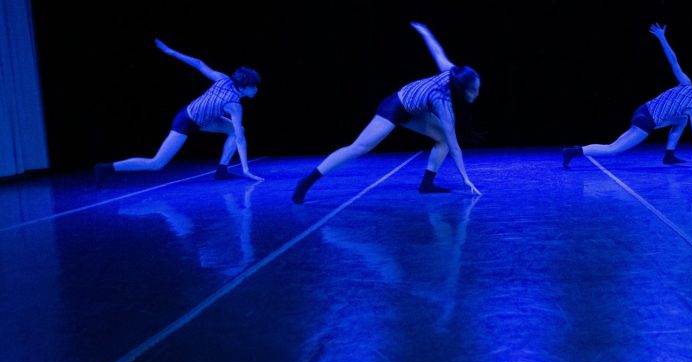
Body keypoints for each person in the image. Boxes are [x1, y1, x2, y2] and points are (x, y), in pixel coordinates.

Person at [292, 22, 482, 204]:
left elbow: (437, 52)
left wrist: (425, 33)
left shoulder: (453, 73)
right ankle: (307, 181)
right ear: (461, 88)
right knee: (359, 148)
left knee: (443, 139)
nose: (477, 94)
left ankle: (427, 183)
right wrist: (465, 179)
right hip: (395, 107)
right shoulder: (443, 101)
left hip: (415, 110)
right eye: (473, 90)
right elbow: (455, 147)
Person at [562, 23, 692, 169]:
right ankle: (574, 151)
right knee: (612, 149)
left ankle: (669, 155)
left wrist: (662, 38)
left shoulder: (686, 83)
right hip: (646, 122)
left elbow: (674, 61)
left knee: (681, 119)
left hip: (642, 110)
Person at [94, 39, 262, 182]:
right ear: (243, 87)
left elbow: (200, 64)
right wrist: (246, 170)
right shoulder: (234, 105)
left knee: (236, 129)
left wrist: (171, 51)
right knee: (156, 164)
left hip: (205, 120)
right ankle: (106, 168)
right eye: (253, 86)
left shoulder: (223, 79)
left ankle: (222, 170)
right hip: (186, 121)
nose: (256, 89)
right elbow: (240, 140)